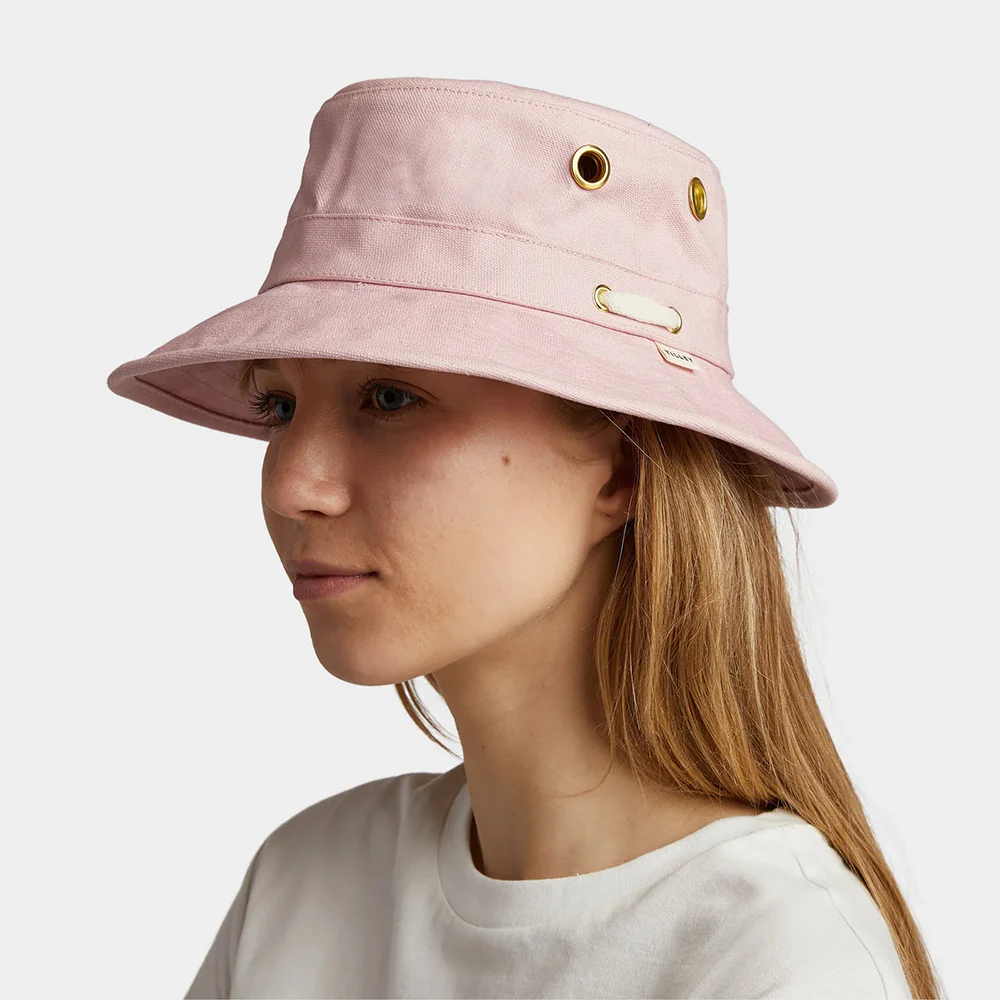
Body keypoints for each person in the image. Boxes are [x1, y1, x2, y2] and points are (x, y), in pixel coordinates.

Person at [106, 76, 941, 999]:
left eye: (391, 397)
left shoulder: (776, 960)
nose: (292, 485)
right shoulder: (306, 888)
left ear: (621, 470)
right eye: (279, 405)